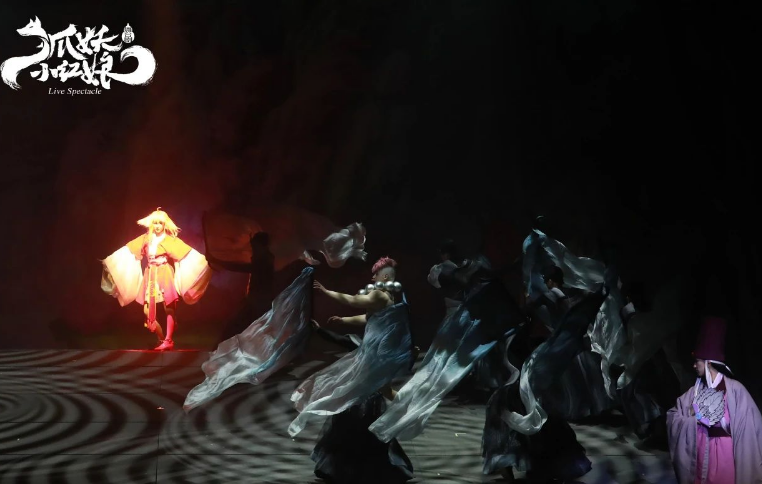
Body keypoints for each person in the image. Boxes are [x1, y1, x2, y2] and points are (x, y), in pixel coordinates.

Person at [289, 257, 414, 484]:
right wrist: (343, 320)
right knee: (377, 392)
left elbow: (354, 300)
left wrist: (326, 292)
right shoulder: (389, 298)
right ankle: (408, 404)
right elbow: (366, 317)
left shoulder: (379, 295)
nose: (372, 277)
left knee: (358, 395)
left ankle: (408, 406)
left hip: (373, 355)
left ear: (385, 276)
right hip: (374, 352)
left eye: (376, 274)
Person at [667, 316, 762, 483]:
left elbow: (752, 427)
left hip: (725, 456)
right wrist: (693, 419)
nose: (694, 365)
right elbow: (673, 415)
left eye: (697, 362)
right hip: (699, 454)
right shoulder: (695, 391)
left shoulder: (735, 390)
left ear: (708, 363)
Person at [101, 208, 211, 350]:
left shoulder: (170, 240)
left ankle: (168, 339)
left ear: (165, 224)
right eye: (155, 223)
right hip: (150, 275)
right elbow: (128, 251)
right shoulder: (146, 239)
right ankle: (161, 338)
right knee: (147, 311)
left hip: (164, 273)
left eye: (160, 223)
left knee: (169, 308)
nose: (157, 225)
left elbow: (187, 253)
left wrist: (208, 262)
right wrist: (110, 261)